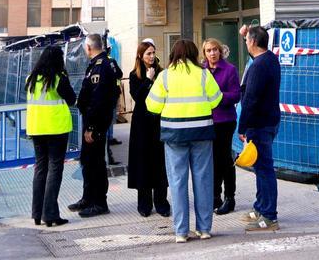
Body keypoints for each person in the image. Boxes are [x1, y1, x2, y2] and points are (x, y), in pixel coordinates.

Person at [146, 39, 222, 244]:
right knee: (203, 180)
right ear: (195, 53)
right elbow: (216, 100)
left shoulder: (165, 76)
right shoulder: (204, 74)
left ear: (174, 54)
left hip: (174, 136)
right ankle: (204, 229)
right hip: (201, 134)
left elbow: (151, 106)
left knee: (178, 182)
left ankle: (181, 232)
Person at [24, 45, 78, 227]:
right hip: (56, 129)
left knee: (40, 168)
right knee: (55, 169)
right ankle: (51, 214)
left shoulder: (31, 79)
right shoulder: (58, 79)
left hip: (36, 129)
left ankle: (37, 214)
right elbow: (72, 99)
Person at [69, 33, 118, 218]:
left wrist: (92, 128)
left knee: (96, 162)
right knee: (88, 161)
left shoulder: (101, 66)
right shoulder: (98, 64)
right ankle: (88, 198)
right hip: (92, 120)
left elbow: (98, 100)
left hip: (95, 123)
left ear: (89, 47)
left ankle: (99, 202)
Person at [238, 24, 281, 232]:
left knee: (264, 169)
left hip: (259, 123)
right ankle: (260, 208)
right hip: (270, 121)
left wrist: (242, 126)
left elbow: (250, 99)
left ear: (253, 42)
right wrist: (245, 33)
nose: (245, 42)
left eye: (247, 40)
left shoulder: (259, 66)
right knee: (260, 167)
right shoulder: (270, 59)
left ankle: (269, 216)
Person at [127, 40, 171, 218]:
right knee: (142, 161)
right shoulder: (134, 75)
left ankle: (161, 202)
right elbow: (138, 97)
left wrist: (155, 78)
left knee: (160, 161)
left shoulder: (162, 73)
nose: (152, 57)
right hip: (141, 124)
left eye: (153, 53)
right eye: (148, 54)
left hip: (158, 120)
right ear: (140, 56)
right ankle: (144, 203)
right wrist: (148, 80)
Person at [202, 38, 241, 215]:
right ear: (204, 53)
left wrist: (217, 97)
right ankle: (214, 196)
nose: (212, 53)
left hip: (225, 120)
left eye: (215, 50)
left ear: (220, 51)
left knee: (224, 159)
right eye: (209, 50)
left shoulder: (230, 69)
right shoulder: (201, 71)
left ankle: (229, 197)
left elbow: (235, 95)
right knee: (211, 161)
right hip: (206, 121)